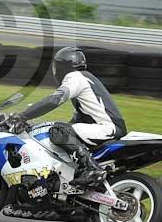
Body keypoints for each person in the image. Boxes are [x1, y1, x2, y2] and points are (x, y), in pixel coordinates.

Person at [8, 46, 127, 187]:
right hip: (108, 127)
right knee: (59, 130)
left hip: (107, 128)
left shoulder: (75, 77)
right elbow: (78, 120)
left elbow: (55, 99)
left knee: (58, 130)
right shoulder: (86, 78)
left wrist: (23, 116)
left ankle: (92, 170)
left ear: (62, 66)